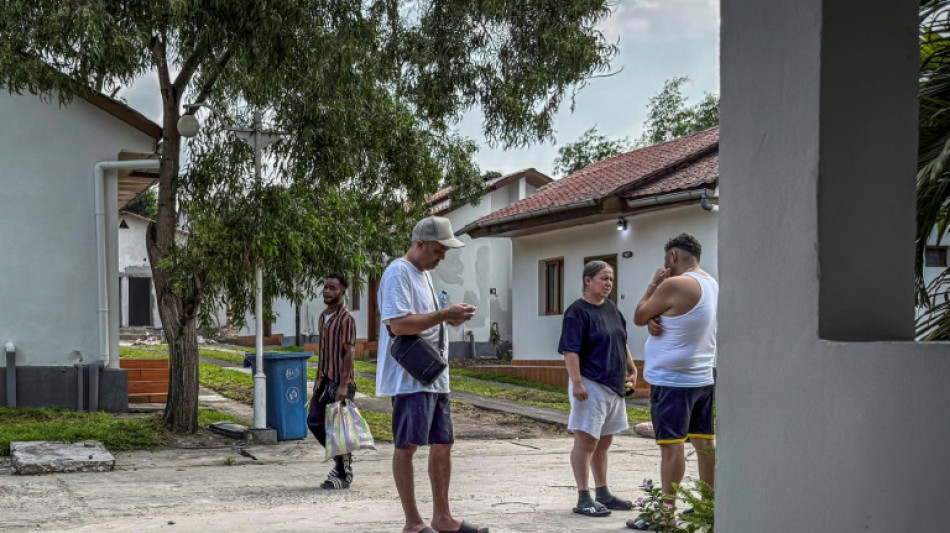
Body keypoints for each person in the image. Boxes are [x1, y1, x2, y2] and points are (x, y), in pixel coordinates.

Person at [376, 216, 488, 533]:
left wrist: (447, 319)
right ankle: (413, 522)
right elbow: (399, 324)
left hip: (434, 376)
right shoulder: (398, 272)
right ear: (419, 244)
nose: (441, 258)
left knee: (443, 442)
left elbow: (423, 318)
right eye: (438, 251)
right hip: (410, 378)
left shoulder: (423, 274)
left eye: (444, 252)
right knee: (407, 446)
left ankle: (442, 517)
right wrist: (443, 314)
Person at [629, 234, 717, 530]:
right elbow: (678, 317)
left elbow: (639, 315)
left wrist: (654, 284)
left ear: (673, 257)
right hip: (702, 375)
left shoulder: (674, 284)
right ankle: (708, 506)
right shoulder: (711, 284)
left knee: (671, 445)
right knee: (704, 442)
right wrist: (658, 318)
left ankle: (666, 513)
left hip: (672, 379)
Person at [558, 260, 639, 518]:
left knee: (604, 442)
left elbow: (621, 339)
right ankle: (584, 497)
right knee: (586, 442)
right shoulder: (577, 312)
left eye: (611, 279)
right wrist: (577, 382)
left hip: (613, 386)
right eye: (604, 278)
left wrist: (632, 368)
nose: (608, 284)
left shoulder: (612, 308)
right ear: (588, 280)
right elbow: (570, 350)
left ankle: (603, 493)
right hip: (590, 384)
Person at [306, 274, 358, 489]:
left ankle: (344, 474)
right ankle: (340, 463)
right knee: (314, 421)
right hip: (324, 381)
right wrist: (318, 379)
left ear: (342, 292)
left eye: (333, 288)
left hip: (340, 382)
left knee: (339, 430)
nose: (327, 291)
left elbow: (350, 352)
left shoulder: (346, 319)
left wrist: (344, 385)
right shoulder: (323, 317)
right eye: (325, 287)